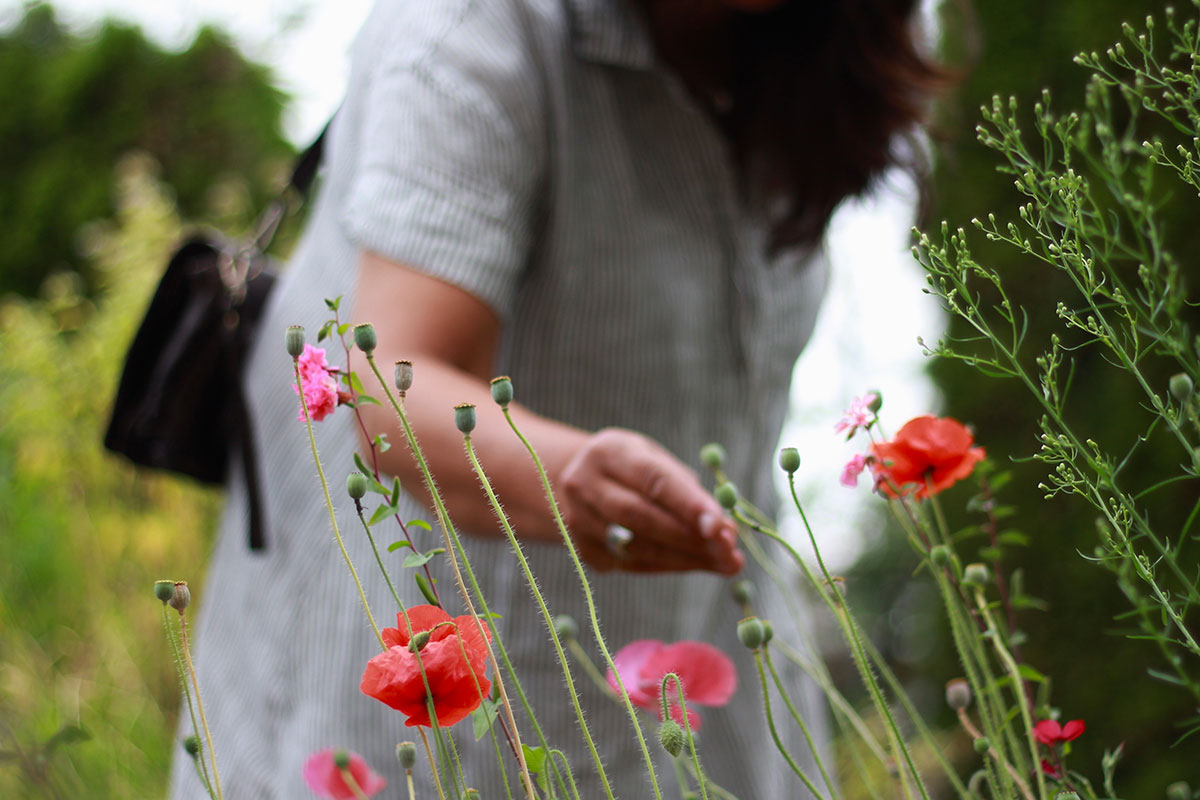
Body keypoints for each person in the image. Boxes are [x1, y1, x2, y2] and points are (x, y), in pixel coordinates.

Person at [170, 0, 944, 797]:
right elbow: (392, 390)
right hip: (422, 739)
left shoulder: (821, 52)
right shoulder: (471, 29)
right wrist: (572, 475)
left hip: (693, 727)